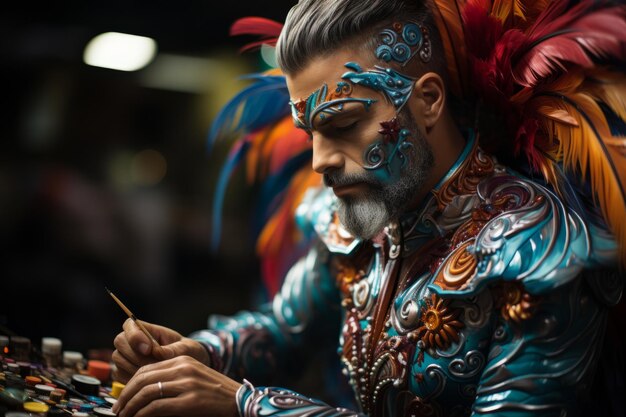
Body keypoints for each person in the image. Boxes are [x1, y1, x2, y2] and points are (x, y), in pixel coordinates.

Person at [110, 0, 626, 416]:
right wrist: (194, 356)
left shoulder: (535, 252)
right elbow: (283, 330)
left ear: (427, 101)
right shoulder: (355, 220)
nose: (318, 162)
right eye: (310, 133)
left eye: (342, 124)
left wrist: (248, 405)